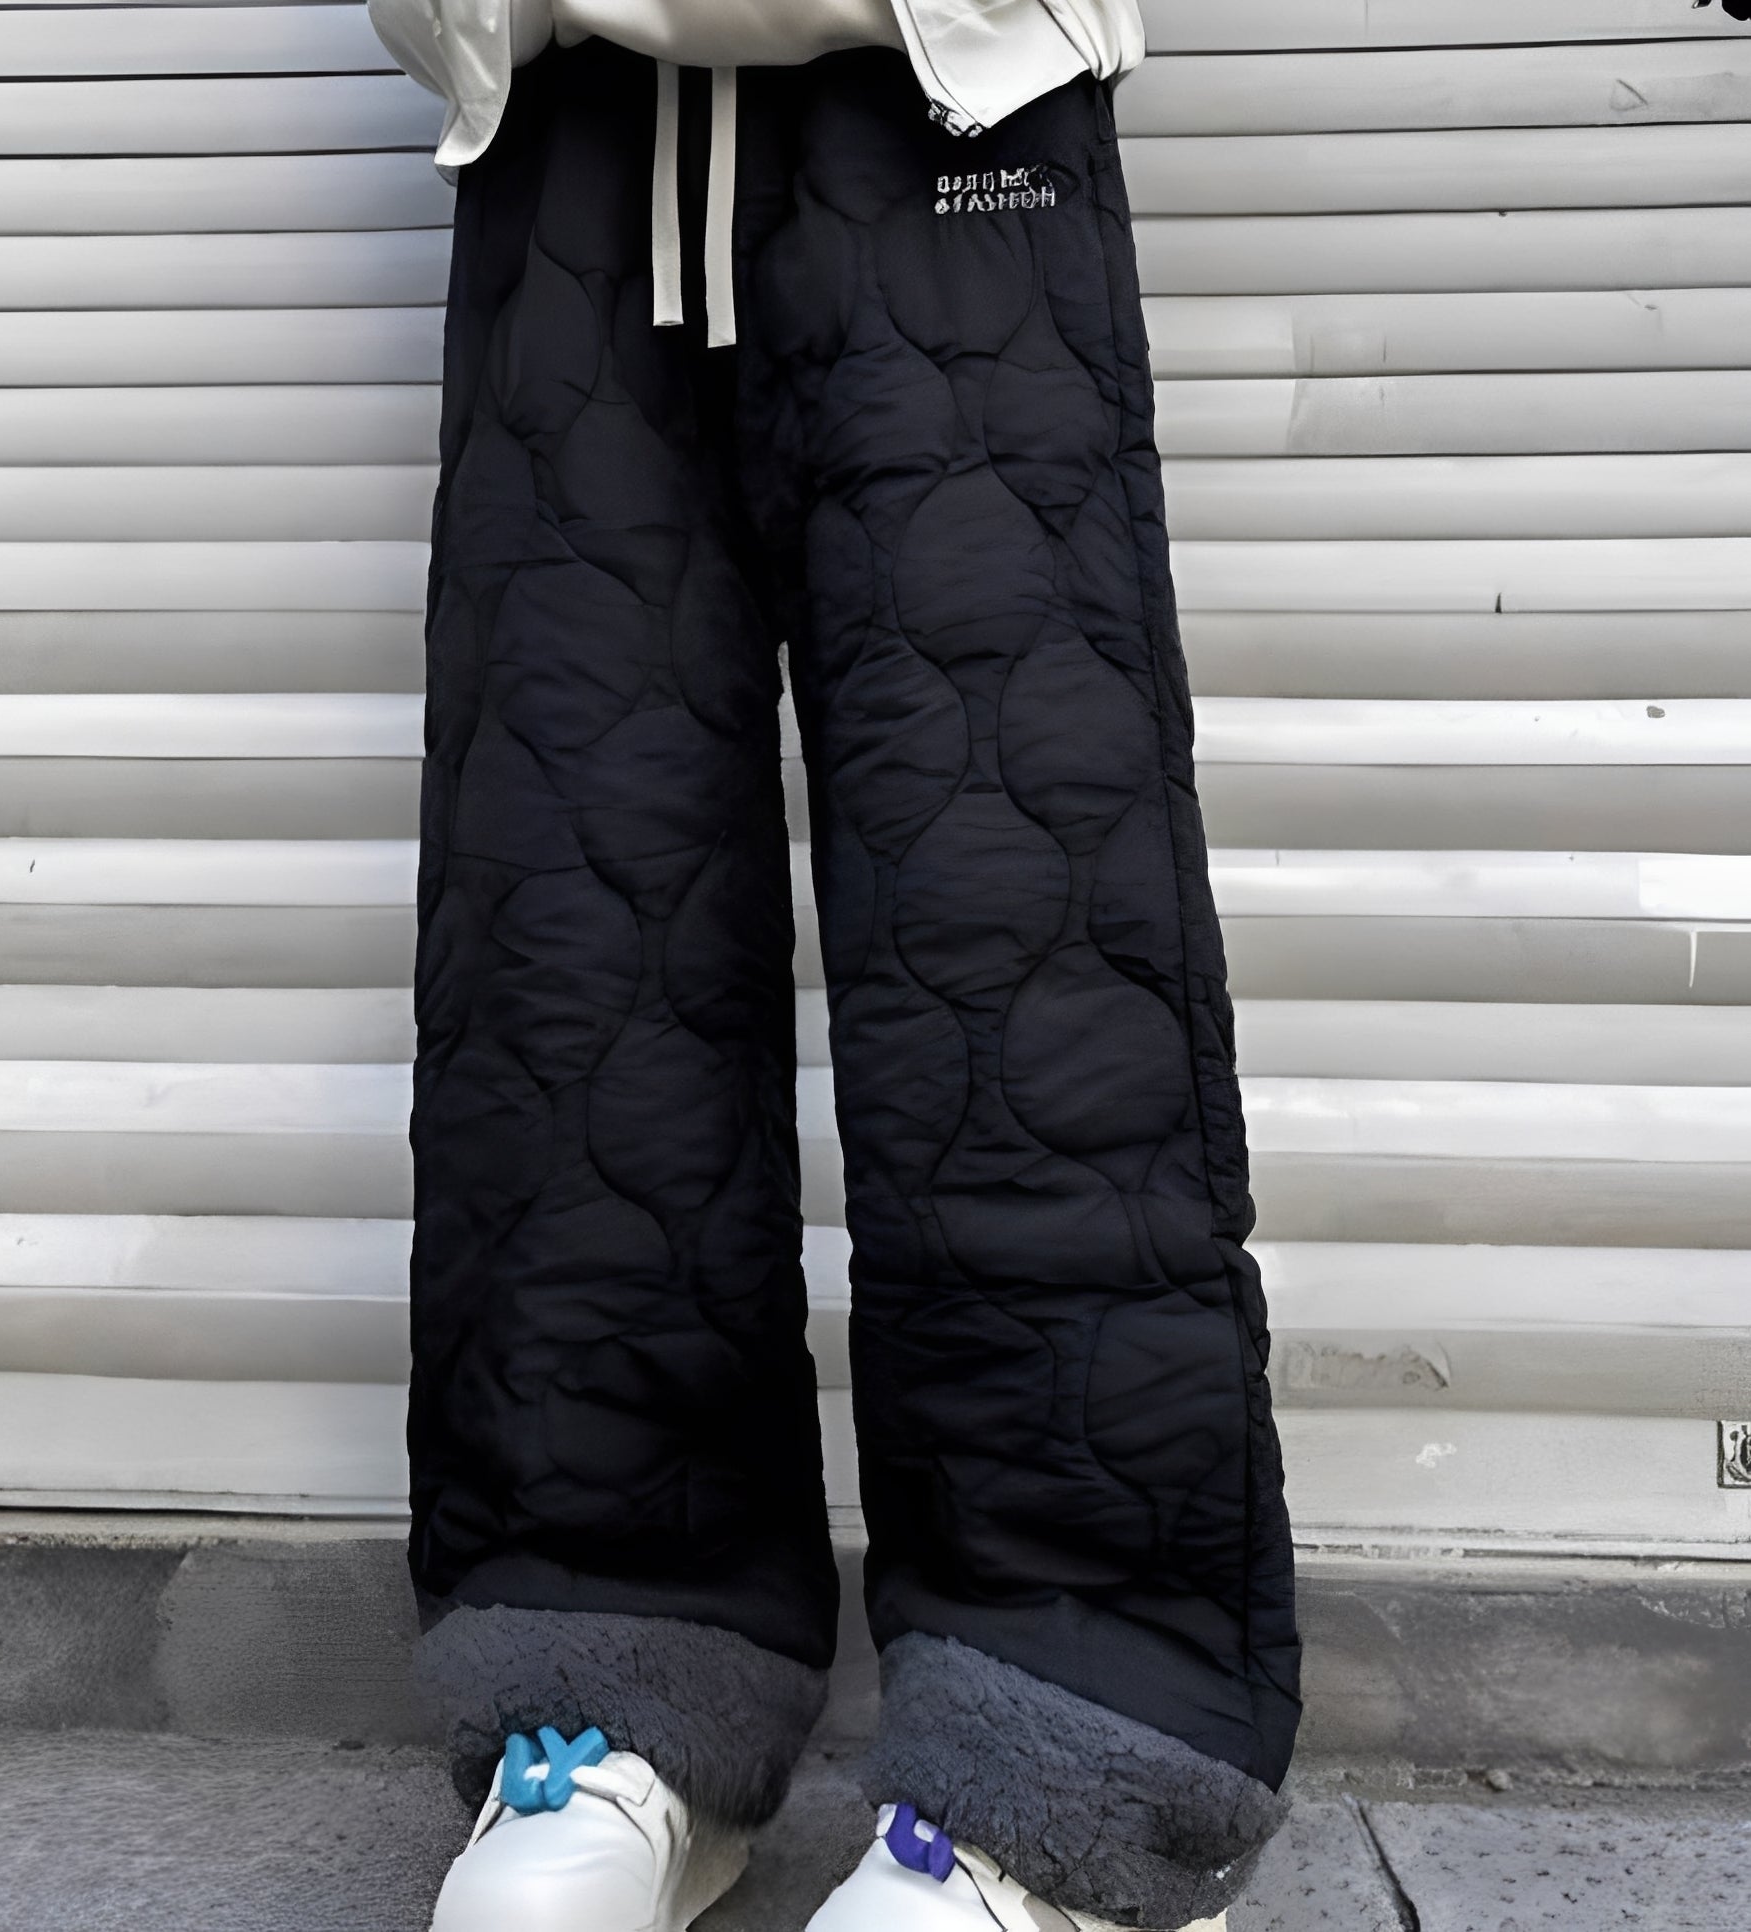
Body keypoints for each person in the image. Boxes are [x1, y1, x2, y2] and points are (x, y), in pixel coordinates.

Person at [364, 2, 1302, 1926]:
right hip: (568, 124)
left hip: (947, 96)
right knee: (571, 954)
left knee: (1024, 940)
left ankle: (1072, 1748)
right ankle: (620, 1680)